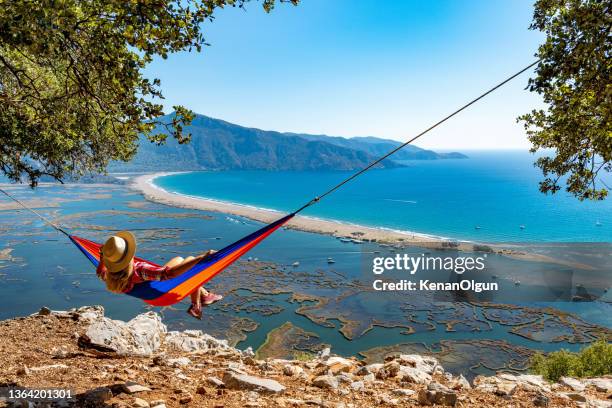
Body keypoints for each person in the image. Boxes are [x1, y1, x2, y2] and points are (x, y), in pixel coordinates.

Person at [96, 231, 222, 319]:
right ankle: (196, 304)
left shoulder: (110, 276)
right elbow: (168, 274)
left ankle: (204, 296)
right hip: (162, 294)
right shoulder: (139, 270)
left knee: (179, 258)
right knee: (191, 261)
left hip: (150, 296)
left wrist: (103, 258)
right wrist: (202, 257)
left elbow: (100, 272)